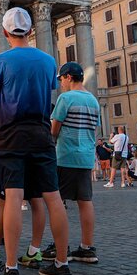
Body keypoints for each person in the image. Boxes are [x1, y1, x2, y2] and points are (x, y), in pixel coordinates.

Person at [0, 7, 71, 275]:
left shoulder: (2, 59)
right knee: (53, 197)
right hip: (41, 131)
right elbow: (49, 91)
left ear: (6, 32)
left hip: (10, 133)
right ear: (31, 31)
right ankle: (62, 265)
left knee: (13, 198)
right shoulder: (48, 61)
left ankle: (11, 269)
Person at [48, 62, 100, 264]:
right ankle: (87, 248)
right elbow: (94, 130)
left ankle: (59, 246)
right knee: (85, 201)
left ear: (69, 77)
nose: (60, 83)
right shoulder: (93, 101)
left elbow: (54, 129)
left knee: (57, 202)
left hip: (66, 156)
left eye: (61, 79)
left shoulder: (66, 98)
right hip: (86, 157)